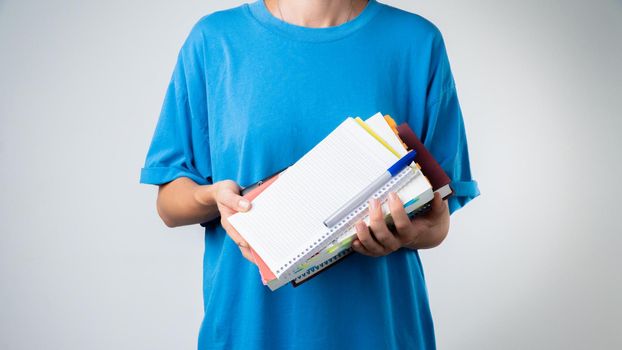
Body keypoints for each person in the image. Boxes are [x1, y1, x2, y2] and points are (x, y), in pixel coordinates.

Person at [140, 0, 480, 348]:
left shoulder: (416, 42)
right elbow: (169, 204)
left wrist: (406, 234)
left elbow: (437, 220)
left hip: (379, 330)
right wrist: (211, 197)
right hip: (250, 330)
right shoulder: (215, 41)